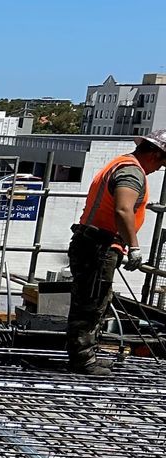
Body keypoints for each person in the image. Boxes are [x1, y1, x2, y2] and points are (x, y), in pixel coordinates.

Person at [67, 132, 166, 376]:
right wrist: (134, 247)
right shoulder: (131, 172)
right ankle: (83, 361)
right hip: (98, 245)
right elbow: (123, 210)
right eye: (162, 162)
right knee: (92, 302)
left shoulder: (120, 163)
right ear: (154, 154)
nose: (160, 168)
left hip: (90, 241)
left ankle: (86, 355)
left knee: (92, 299)